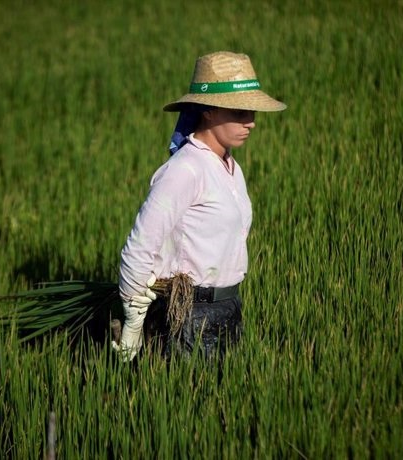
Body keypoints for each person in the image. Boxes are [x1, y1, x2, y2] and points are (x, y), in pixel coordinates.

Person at [112, 51, 286, 362]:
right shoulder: (186, 169)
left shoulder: (230, 166)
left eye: (253, 112)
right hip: (188, 318)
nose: (251, 122)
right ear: (207, 110)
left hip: (228, 309)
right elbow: (140, 246)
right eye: (241, 112)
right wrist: (134, 319)